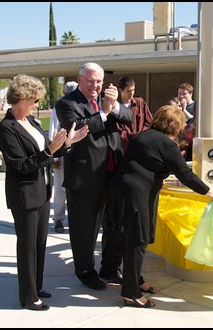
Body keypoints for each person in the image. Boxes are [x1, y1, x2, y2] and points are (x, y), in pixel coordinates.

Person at [106, 105, 213, 308]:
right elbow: (185, 174)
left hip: (120, 191)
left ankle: (135, 280)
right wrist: (211, 193)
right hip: (139, 195)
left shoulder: (140, 137)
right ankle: (130, 293)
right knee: (138, 241)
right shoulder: (167, 145)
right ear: (175, 126)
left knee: (128, 238)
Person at [0, 74, 89, 310]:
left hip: (42, 191)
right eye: (34, 100)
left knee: (39, 245)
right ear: (22, 98)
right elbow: (21, 164)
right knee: (27, 247)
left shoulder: (33, 122)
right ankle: (28, 296)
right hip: (24, 195)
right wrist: (51, 150)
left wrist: (68, 143)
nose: (37, 105)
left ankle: (36, 287)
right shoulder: (7, 127)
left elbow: (49, 155)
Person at [55, 62, 133, 290]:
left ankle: (109, 268)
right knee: (84, 230)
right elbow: (78, 128)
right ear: (79, 80)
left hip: (112, 173)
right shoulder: (67, 104)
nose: (95, 86)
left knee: (114, 225)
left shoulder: (105, 100)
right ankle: (85, 271)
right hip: (85, 178)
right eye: (90, 81)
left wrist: (114, 106)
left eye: (99, 81)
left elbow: (128, 117)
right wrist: (105, 112)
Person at [49, 81, 78, 233]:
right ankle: (59, 218)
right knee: (60, 188)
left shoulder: (80, 105)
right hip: (61, 153)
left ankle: (75, 218)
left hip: (77, 153)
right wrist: (53, 157)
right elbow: (53, 130)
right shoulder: (59, 107)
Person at [116, 76, 153, 153]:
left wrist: (141, 135)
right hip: (125, 149)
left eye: (133, 90)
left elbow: (149, 122)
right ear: (120, 90)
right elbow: (117, 130)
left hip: (142, 146)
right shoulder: (115, 107)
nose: (132, 93)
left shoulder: (140, 103)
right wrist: (132, 136)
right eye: (128, 91)